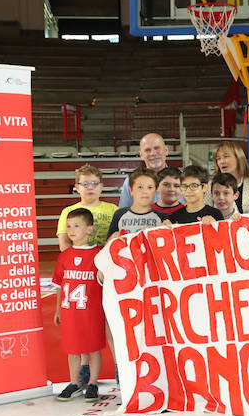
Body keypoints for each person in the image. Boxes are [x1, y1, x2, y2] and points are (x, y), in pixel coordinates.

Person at [52, 208, 107, 402]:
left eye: (77, 226)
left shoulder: (98, 255)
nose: (71, 230)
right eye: (68, 226)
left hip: (91, 312)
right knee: (72, 349)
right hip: (70, 311)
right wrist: (58, 309)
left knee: (93, 349)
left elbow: (104, 284)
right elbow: (60, 285)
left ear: (89, 229)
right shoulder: (65, 255)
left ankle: (92, 383)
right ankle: (74, 382)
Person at [56, 164, 117, 251]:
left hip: (106, 260)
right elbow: (64, 242)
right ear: (77, 187)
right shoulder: (68, 211)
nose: (90, 187)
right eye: (85, 184)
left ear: (101, 186)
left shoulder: (113, 209)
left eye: (95, 183)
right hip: (79, 260)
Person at [106, 168, 170, 241]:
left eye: (150, 187)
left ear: (156, 190)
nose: (145, 191)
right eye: (140, 187)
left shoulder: (163, 218)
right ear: (131, 190)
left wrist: (167, 233)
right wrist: (112, 239)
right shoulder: (119, 214)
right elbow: (107, 246)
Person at [117, 133, 172, 208]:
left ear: (166, 151)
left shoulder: (182, 179)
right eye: (147, 150)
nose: (153, 153)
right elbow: (123, 214)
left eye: (157, 148)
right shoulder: (131, 181)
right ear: (141, 155)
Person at [211, 141, 249, 213]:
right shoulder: (211, 185)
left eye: (226, 156)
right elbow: (205, 212)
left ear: (238, 158)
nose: (221, 161)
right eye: (218, 159)